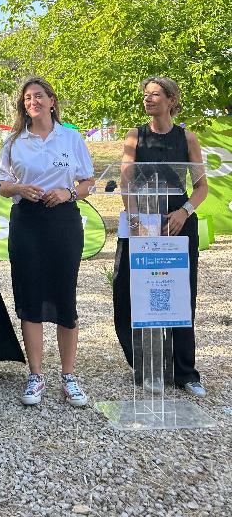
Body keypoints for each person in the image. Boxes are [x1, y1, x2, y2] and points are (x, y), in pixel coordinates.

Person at [0, 77, 95, 408]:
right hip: (27, 222)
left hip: (63, 222)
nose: (33, 102)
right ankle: (36, 375)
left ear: (52, 101)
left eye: (38, 96)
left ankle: (69, 376)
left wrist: (68, 193)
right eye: (27, 98)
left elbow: (88, 181)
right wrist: (19, 188)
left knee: (65, 296)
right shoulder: (14, 141)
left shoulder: (71, 137)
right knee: (30, 297)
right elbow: (1, 183)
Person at [112, 76, 208, 396]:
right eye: (145, 94)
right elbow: (126, 182)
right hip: (142, 221)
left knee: (180, 294)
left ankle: (185, 372)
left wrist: (184, 212)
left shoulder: (188, 138)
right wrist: (136, 220)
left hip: (177, 222)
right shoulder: (134, 136)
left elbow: (201, 187)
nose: (148, 99)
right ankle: (148, 366)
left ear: (171, 100)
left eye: (155, 94)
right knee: (137, 294)